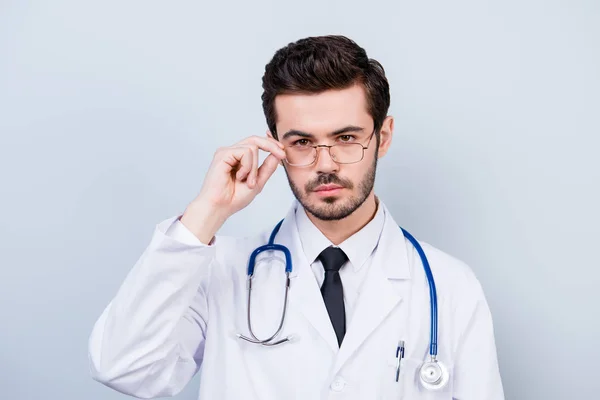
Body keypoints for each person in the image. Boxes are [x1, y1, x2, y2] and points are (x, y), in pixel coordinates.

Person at [88, 35, 504, 399]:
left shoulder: (450, 287)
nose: (325, 164)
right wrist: (206, 213)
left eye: (346, 138)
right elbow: (123, 367)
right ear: (275, 146)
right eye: (302, 141)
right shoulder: (222, 272)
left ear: (384, 136)